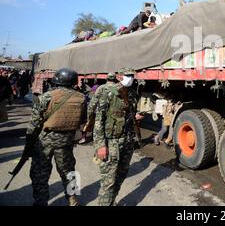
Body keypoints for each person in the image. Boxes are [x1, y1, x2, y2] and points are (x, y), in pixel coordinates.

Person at [27, 68, 87, 206]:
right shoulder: (81, 98)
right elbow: (82, 120)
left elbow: (33, 124)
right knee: (69, 171)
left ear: (56, 80)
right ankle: (72, 199)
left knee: (40, 174)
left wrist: (29, 144)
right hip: (66, 142)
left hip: (44, 141)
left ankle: (40, 202)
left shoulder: (46, 97)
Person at [94, 68, 144, 206]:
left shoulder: (132, 94)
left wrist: (135, 117)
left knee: (121, 176)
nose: (131, 78)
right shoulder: (109, 93)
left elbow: (127, 114)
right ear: (119, 76)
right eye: (128, 75)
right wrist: (100, 145)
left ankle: (110, 202)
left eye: (132, 76)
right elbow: (99, 120)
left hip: (127, 141)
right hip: (111, 142)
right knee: (108, 182)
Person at [79, 72, 117, 144]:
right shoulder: (117, 88)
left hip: (100, 112)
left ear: (107, 78)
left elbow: (93, 102)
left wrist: (89, 114)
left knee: (95, 127)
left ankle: (97, 144)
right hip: (112, 113)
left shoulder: (101, 88)